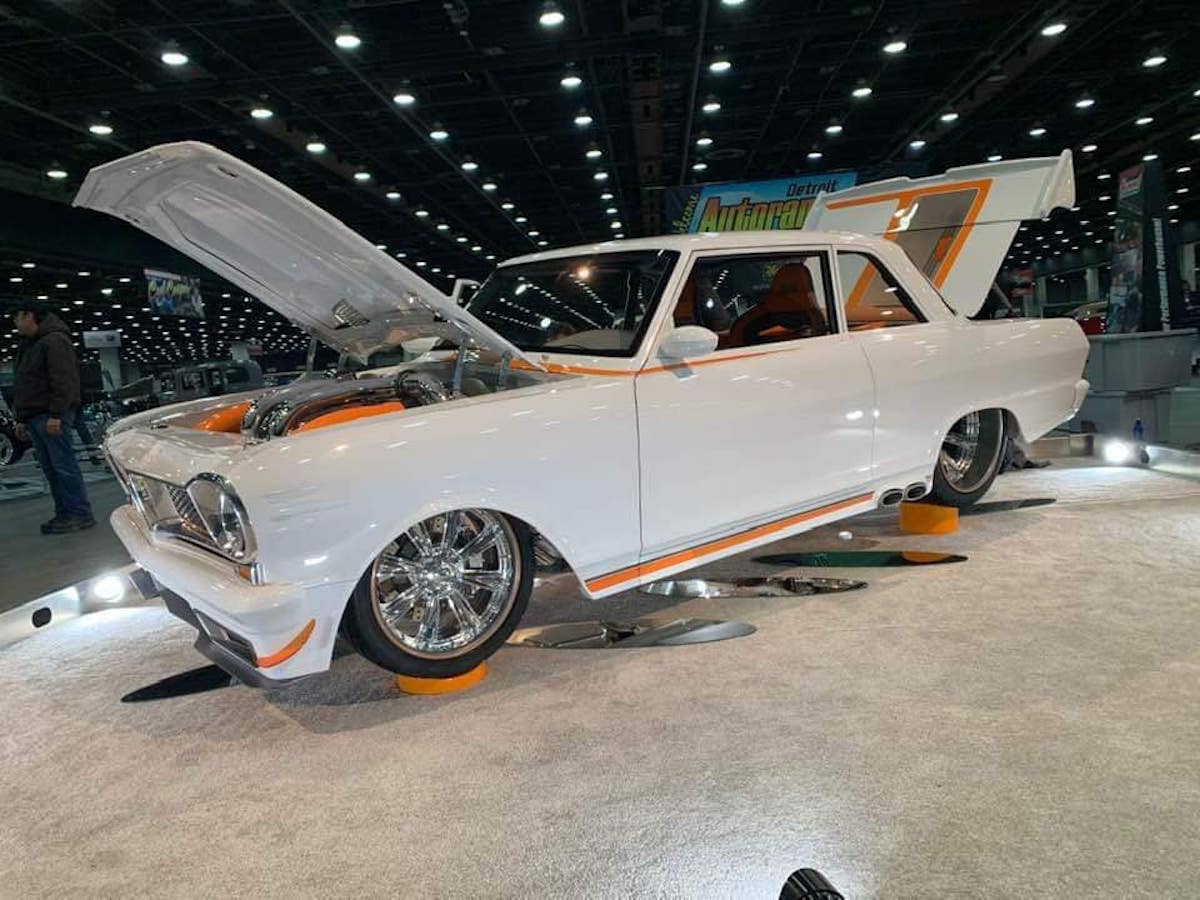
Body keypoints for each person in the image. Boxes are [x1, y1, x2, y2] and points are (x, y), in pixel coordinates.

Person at [10, 303, 95, 533]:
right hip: (36, 416)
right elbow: (24, 384)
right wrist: (21, 418)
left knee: (63, 467)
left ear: (29, 315)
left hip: (50, 415)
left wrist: (57, 414)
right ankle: (65, 513)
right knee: (52, 469)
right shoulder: (30, 345)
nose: (15, 323)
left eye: (17, 317)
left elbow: (64, 380)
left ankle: (79, 513)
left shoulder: (54, 341)